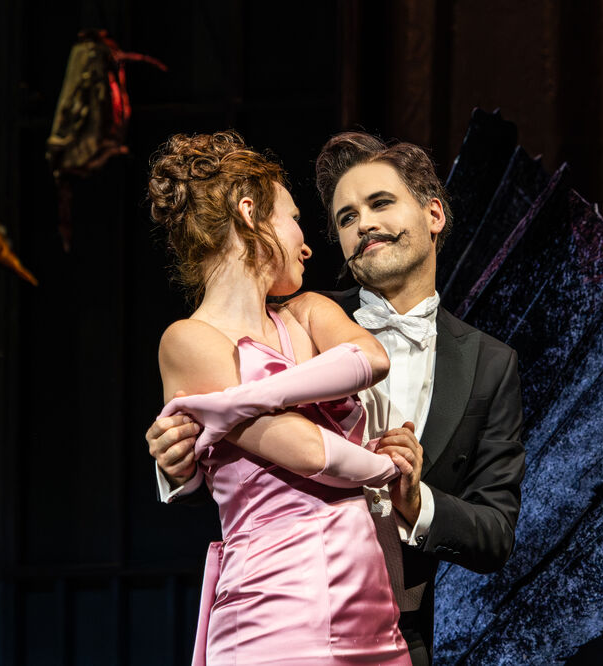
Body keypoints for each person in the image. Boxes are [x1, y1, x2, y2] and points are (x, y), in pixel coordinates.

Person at [149, 132, 526, 665]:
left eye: (380, 203)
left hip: (404, 631)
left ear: (434, 214)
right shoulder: (298, 313)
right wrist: (178, 462)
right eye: (346, 217)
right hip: (284, 607)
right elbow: (244, 461)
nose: (363, 223)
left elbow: (496, 532)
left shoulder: (490, 364)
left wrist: (415, 502)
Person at [147, 130, 413, 665]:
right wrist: (387, 468)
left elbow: (371, 359)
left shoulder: (307, 312)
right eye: (294, 219)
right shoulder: (187, 340)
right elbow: (309, 452)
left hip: (369, 606)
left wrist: (241, 400)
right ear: (250, 214)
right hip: (276, 608)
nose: (307, 245)